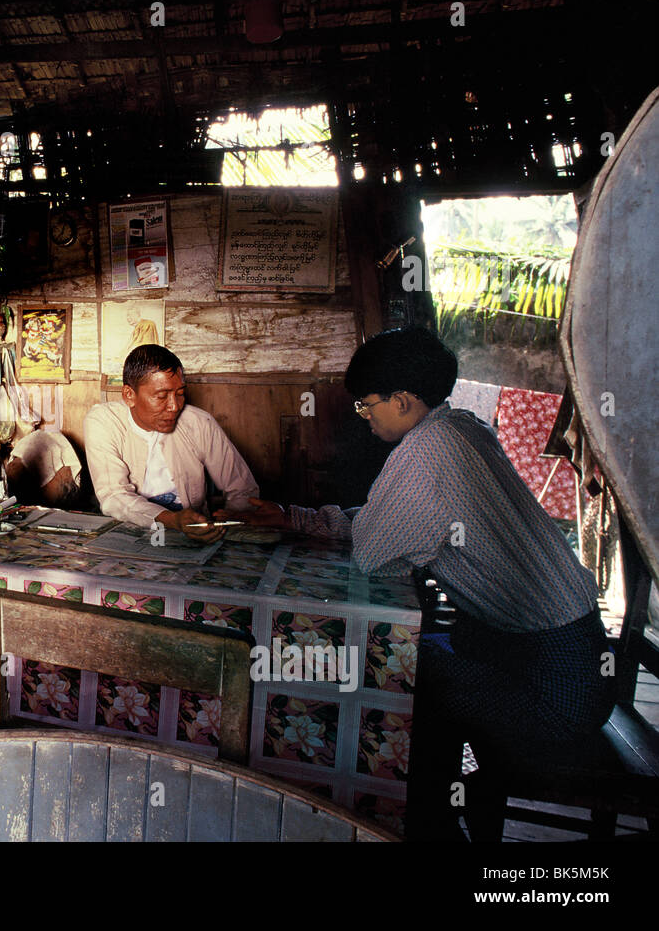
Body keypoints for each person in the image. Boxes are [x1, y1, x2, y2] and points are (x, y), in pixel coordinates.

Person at [237, 326, 613, 840]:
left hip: (554, 691)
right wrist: (293, 517)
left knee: (392, 668)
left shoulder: (425, 452)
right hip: (575, 664)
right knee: (414, 661)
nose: (364, 416)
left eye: (366, 405)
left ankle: (408, 821)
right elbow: (379, 523)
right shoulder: (461, 428)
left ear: (404, 400)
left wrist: (304, 521)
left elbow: (372, 553)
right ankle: (426, 812)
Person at [83, 344, 258, 543]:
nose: (174, 406)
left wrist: (225, 526)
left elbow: (243, 488)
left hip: (192, 531)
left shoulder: (199, 423)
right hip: (126, 527)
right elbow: (114, 495)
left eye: (180, 393)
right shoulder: (104, 421)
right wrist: (172, 520)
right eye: (161, 396)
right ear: (129, 395)